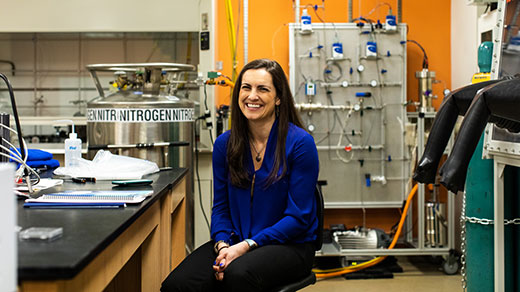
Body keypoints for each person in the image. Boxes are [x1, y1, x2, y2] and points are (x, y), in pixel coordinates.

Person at [161, 58, 319, 292]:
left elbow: (298, 218)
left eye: (262, 89)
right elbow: (221, 208)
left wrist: (246, 246)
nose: (252, 96)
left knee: (238, 275)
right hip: (236, 241)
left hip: (290, 244)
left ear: (278, 98)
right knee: (178, 285)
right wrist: (223, 244)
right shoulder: (226, 144)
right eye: (246, 88)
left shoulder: (299, 144)